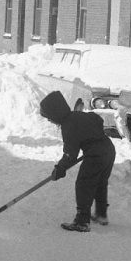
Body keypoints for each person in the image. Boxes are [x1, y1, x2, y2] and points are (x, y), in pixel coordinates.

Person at [39, 90, 116, 232]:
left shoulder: (68, 125)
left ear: (55, 113)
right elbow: (96, 119)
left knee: (84, 184)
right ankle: (101, 214)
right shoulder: (77, 115)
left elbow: (70, 154)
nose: (49, 120)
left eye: (49, 117)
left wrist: (60, 168)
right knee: (100, 183)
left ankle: (82, 221)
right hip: (108, 149)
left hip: (96, 155)